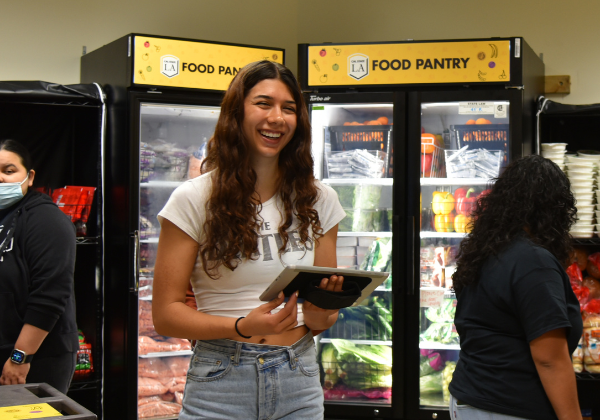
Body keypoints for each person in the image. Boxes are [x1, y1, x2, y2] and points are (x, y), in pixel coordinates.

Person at [152, 60, 346, 419]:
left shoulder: (321, 199)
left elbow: (319, 318)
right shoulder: (194, 199)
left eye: (289, 108)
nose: (277, 117)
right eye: (263, 103)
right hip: (221, 381)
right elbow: (165, 315)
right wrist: (241, 327)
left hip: (299, 378)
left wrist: (323, 312)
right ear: (236, 112)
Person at [449, 155, 583, 420]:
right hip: (508, 405)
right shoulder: (533, 261)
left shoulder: (484, 251)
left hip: (468, 398)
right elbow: (549, 359)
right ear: (553, 209)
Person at [0, 139, 78, 393]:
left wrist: (20, 358)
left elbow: (50, 296)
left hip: (33, 360)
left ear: (29, 176)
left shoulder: (46, 220)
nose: (0, 179)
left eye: (9, 171)